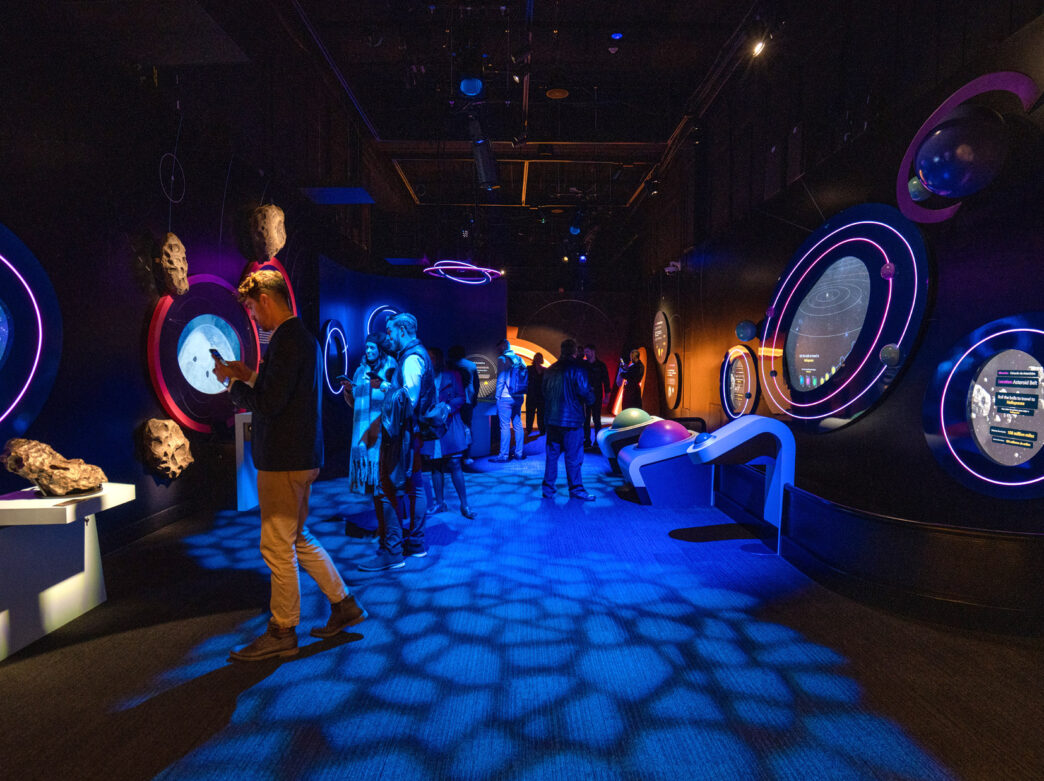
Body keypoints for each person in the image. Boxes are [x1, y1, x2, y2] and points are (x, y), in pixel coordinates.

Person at [214, 269, 365, 662]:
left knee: (276, 546)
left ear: (265, 298)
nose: (253, 316)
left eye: (251, 307)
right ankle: (344, 604)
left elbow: (267, 404)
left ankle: (283, 630)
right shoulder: (303, 339)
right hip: (301, 457)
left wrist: (233, 387)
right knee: (298, 537)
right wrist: (245, 374)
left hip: (283, 459)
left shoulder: (285, 340)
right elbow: (280, 390)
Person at [359, 312, 435, 571]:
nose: (389, 337)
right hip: (412, 434)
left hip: (403, 435)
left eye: (391, 332)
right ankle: (415, 544)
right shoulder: (416, 354)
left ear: (402, 331)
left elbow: (407, 400)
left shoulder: (412, 358)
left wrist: (385, 388)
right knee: (415, 486)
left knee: (386, 488)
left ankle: (393, 552)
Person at [340, 333, 396, 538]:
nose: (369, 351)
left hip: (382, 432)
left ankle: (388, 529)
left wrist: (382, 384)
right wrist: (348, 391)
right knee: (375, 486)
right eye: (367, 348)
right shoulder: (361, 370)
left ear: (380, 349)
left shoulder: (390, 366)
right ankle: (382, 528)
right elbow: (354, 403)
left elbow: (398, 395)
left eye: (373, 348)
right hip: (363, 432)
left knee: (384, 484)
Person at [420, 347, 475, 520]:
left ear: (439, 359)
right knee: (436, 466)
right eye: (427, 358)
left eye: (432, 358)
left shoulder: (453, 375)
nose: (430, 361)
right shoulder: (424, 378)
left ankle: (464, 504)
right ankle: (439, 503)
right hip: (431, 426)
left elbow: (461, 397)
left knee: (455, 464)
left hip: (450, 424)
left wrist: (447, 408)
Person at [542, 339, 596, 501]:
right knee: (573, 457)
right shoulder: (578, 369)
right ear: (574, 352)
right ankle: (576, 489)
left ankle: (548, 489)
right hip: (572, 421)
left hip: (552, 420)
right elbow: (586, 394)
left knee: (552, 456)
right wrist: (592, 397)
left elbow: (544, 393)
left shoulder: (550, 370)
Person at [490, 338, 526, 462]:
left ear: (503, 347)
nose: (497, 350)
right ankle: (519, 453)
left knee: (504, 426)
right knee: (518, 425)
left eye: (499, 348)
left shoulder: (502, 359)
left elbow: (501, 378)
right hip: (519, 396)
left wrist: (497, 396)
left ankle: (504, 455)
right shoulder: (519, 359)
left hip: (505, 396)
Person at [447, 345, 479, 465]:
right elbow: (476, 384)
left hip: (452, 401)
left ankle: (452, 454)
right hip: (467, 401)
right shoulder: (471, 365)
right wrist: (474, 399)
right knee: (467, 427)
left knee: (452, 427)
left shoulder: (449, 365)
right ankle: (467, 455)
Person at [582, 344, 611, 447]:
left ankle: (597, 441)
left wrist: (607, 396)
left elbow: (606, 381)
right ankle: (587, 440)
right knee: (585, 419)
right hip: (585, 395)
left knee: (596, 419)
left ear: (593, 352)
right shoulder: (583, 365)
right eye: (585, 352)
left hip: (597, 395)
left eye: (587, 352)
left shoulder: (601, 365)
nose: (586, 354)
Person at [525, 352, 546, 438]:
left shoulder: (545, 370)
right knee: (530, 414)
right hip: (532, 394)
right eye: (536, 357)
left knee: (541, 414)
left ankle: (542, 429)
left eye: (539, 357)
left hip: (541, 395)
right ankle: (529, 429)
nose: (537, 359)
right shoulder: (528, 369)